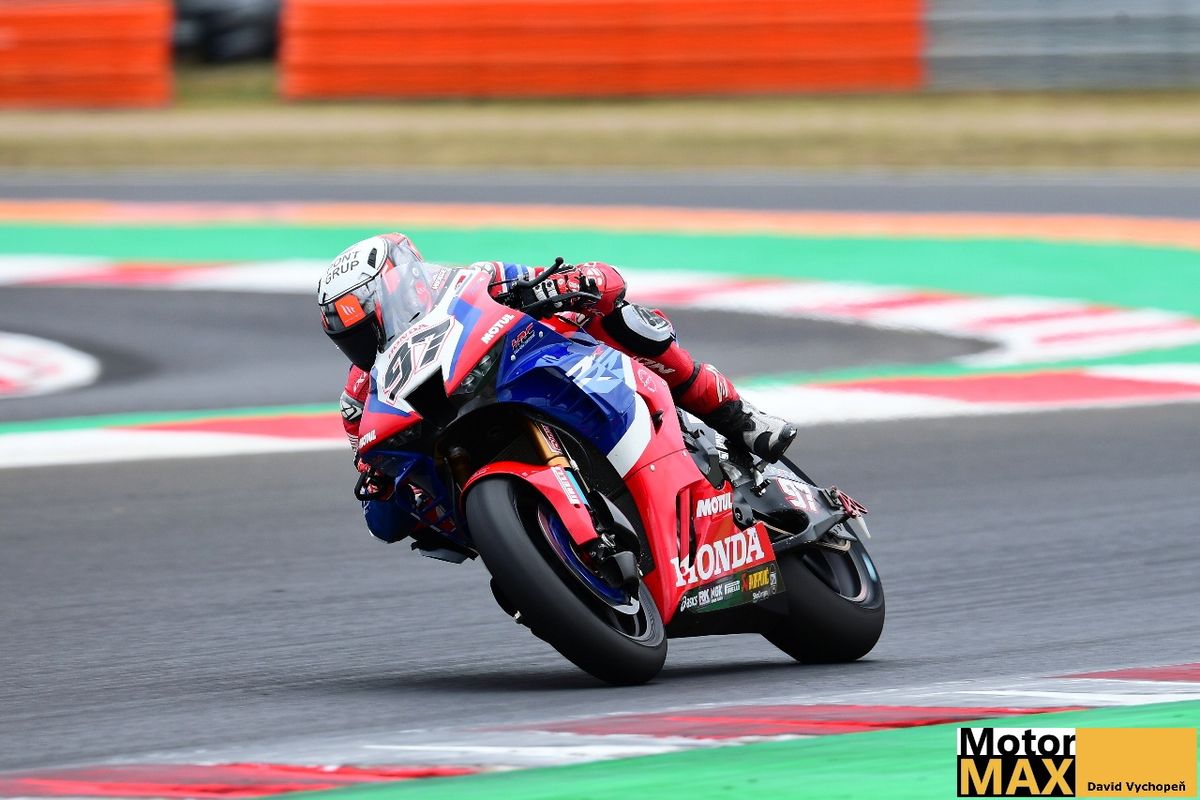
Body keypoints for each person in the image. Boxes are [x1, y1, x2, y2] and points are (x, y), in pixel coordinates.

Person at [318, 233, 797, 542]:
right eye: (350, 337)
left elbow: (603, 279)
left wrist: (568, 285)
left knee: (619, 319)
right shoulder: (359, 399)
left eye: (367, 323)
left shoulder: (473, 280)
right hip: (468, 465)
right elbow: (380, 517)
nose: (363, 342)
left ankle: (738, 416)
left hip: (543, 373)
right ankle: (537, 550)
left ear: (406, 287)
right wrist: (381, 483)